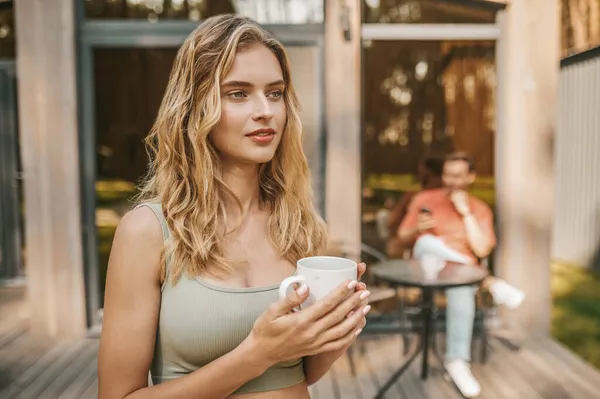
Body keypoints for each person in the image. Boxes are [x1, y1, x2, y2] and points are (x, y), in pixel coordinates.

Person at [98, 15, 371, 399]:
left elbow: (302, 373)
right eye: (238, 93)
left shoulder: (300, 224)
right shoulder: (148, 231)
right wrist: (256, 354)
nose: (266, 111)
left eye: (275, 93)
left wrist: (334, 333)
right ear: (195, 107)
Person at [397, 151, 524, 398]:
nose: (450, 181)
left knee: (463, 285)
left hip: (460, 275)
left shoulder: (479, 209)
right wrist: (416, 228)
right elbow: (403, 236)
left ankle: (456, 361)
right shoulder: (426, 198)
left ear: (471, 177)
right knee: (426, 243)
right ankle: (490, 282)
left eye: (457, 176)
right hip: (428, 268)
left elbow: (482, 248)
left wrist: (465, 212)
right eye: (447, 175)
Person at [386, 156, 444, 258]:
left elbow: (391, 223)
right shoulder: (414, 196)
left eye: (422, 174)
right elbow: (393, 225)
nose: (419, 177)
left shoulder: (454, 200)